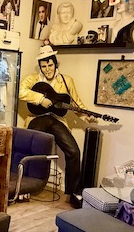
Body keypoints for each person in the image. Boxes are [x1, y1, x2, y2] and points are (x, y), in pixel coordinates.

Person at [19, 45, 95, 208]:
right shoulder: (33, 79)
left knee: (74, 151)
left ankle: (72, 193)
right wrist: (40, 99)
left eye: (50, 65)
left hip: (56, 120)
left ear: (55, 64)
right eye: (44, 66)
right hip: (37, 118)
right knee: (28, 148)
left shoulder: (66, 81)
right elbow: (20, 91)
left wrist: (86, 116)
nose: (47, 69)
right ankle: (23, 187)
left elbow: (76, 103)